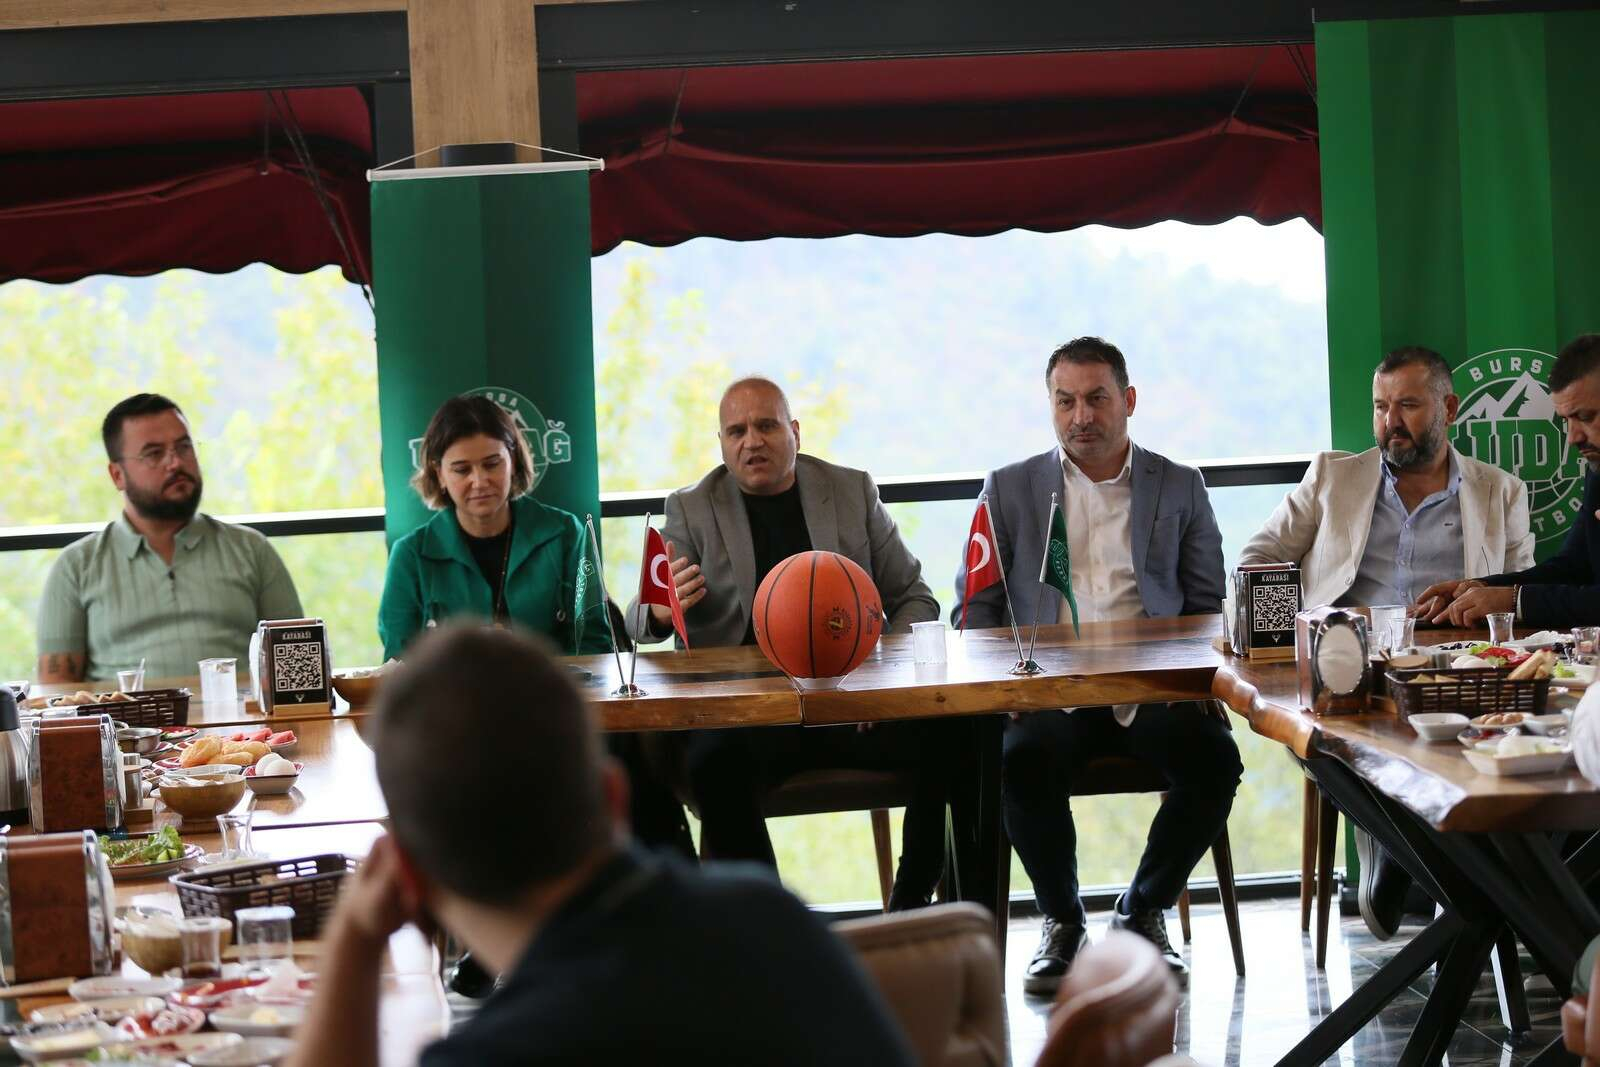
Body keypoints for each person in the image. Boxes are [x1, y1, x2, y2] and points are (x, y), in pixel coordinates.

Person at [288, 624, 916, 1067]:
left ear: (410, 876)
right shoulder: (775, 919)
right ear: (614, 796)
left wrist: (355, 940)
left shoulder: (491, 1055)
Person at [955, 337, 1241, 992]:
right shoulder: (1009, 488)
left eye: (1096, 398)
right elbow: (976, 608)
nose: (1081, 416)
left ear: (1128, 400)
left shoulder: (1179, 484)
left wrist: (1196, 681)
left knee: (1215, 761)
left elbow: (1206, 606)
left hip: (1151, 687)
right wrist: (1003, 690)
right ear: (1050, 406)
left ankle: (1142, 911)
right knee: (1021, 761)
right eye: (1066, 402)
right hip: (1047, 691)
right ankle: (1062, 921)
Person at [623, 376, 952, 909]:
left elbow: (916, 597)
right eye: (736, 431)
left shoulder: (850, 490)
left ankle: (913, 900)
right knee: (710, 762)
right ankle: (769, 923)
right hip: (750, 718)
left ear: (795, 432)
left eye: (766, 426)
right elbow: (638, 620)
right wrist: (660, 612)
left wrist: (876, 676)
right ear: (722, 443)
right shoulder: (691, 506)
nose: (752, 441)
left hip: (850, 705)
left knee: (956, 734)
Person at [1240, 345, 1533, 941]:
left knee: (1487, 745)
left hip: (1452, 675)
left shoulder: (1500, 492)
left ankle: (1406, 857)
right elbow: (1256, 559)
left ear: (1449, 408)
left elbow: (1521, 608)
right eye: (1380, 407)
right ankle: (1411, 856)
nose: (1390, 422)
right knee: (1325, 737)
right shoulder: (1334, 478)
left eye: (1408, 406)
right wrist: (1317, 626)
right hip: (1346, 672)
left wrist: (1485, 604)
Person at [36, 393, 302, 683]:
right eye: (154, 453)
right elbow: (57, 693)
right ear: (117, 475)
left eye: (184, 447)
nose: (175, 463)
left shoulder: (251, 550)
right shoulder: (76, 566)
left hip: (238, 712)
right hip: (126, 713)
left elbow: (297, 664)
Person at [378, 394, 611, 659]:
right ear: (439, 474)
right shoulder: (410, 555)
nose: (479, 481)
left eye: (492, 464)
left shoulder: (565, 533)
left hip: (555, 685)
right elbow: (398, 663)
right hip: (448, 688)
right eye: (461, 470)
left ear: (513, 461)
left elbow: (596, 644)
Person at [1417, 333, 1600, 628]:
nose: (1573, 438)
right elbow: (1573, 566)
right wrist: (1480, 588)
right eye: (1567, 420)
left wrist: (1514, 601)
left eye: (1587, 417)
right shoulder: (1597, 469)